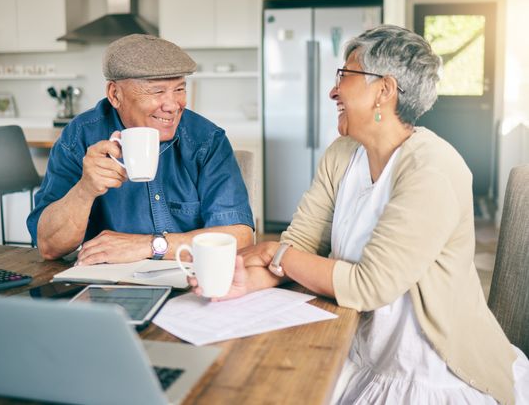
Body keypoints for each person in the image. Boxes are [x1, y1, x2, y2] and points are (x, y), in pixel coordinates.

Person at [191, 25, 529, 404]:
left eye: (345, 76)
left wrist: (273, 254)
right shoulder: (342, 154)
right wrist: (250, 281)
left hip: (430, 370)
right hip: (357, 349)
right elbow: (301, 243)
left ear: (384, 90)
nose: (333, 90)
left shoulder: (432, 169)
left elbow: (370, 286)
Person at [27, 34, 254, 265]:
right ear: (115, 95)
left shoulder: (206, 140)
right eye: (157, 92)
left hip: (187, 280)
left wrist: (149, 245)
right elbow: (48, 247)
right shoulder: (79, 137)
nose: (173, 105)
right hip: (102, 287)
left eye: (179, 89)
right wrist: (85, 190)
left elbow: (240, 238)